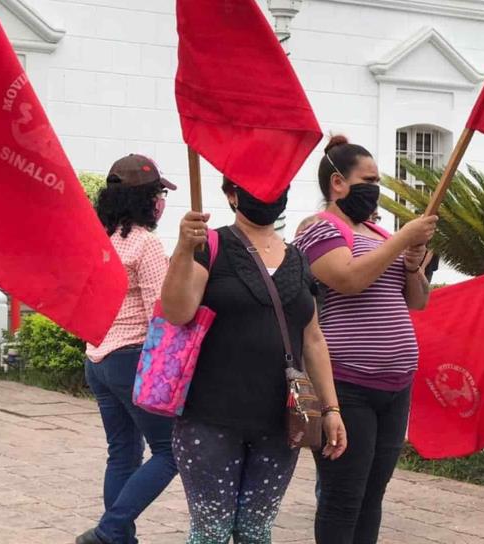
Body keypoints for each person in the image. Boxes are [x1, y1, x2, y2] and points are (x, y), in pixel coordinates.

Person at [161, 178, 347, 544]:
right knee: (210, 532)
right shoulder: (209, 245)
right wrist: (184, 249)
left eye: (278, 185)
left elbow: (313, 337)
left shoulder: (298, 259)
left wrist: (332, 409)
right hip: (209, 419)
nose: (268, 193)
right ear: (231, 194)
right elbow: (176, 311)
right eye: (257, 185)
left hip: (280, 424)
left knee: (256, 532)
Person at [293, 135, 437, 544]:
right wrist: (402, 240)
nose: (375, 187)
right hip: (347, 385)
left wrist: (412, 266)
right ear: (338, 183)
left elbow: (417, 301)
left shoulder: (376, 231)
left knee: (373, 495)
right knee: (343, 496)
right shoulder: (321, 229)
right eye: (368, 179)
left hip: (395, 386)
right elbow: (349, 278)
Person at [77, 154, 179, 544]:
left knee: (122, 453)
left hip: (97, 358)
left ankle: (117, 537)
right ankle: (110, 529)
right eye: (158, 194)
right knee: (170, 451)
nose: (162, 203)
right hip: (133, 359)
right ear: (144, 200)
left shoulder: (98, 241)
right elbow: (164, 311)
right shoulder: (146, 244)